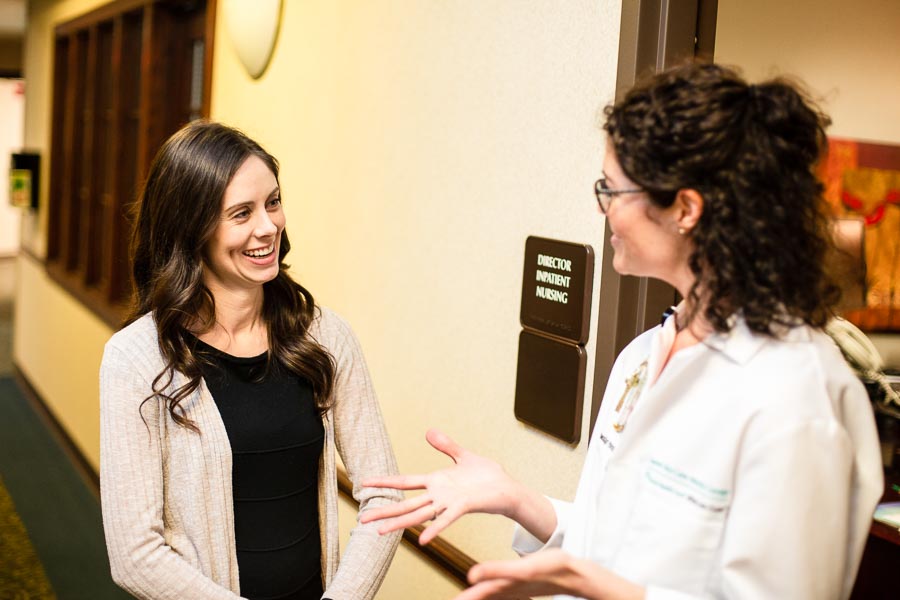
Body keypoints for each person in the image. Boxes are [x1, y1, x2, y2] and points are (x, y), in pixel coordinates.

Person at [361, 63, 884, 600]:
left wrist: (608, 591)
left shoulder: (797, 395)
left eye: (612, 188)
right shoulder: (644, 356)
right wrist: (513, 497)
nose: (601, 205)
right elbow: (610, 540)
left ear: (685, 208)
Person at [100, 120, 402, 600]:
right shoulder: (136, 359)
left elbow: (384, 495)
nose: (268, 227)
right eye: (241, 213)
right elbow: (135, 554)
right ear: (191, 227)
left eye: (273, 202)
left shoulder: (325, 337)